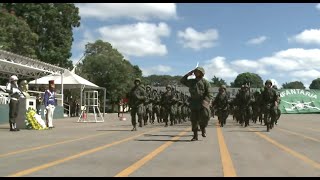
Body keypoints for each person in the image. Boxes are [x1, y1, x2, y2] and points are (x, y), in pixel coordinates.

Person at [180, 67, 212, 141]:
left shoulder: (205, 82)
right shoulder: (191, 82)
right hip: (194, 103)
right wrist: (188, 75)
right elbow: (182, 81)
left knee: (205, 116)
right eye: (195, 72)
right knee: (194, 119)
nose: (196, 73)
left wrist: (206, 100)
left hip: (202, 102)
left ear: (201, 73)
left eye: (198, 72)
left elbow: (209, 93)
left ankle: (203, 128)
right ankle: (195, 136)